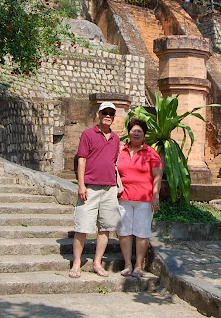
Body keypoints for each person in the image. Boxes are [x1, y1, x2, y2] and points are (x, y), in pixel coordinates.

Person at [69, 102, 121, 278]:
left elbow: (114, 162)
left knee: (105, 227)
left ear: (114, 117)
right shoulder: (88, 134)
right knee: (82, 226)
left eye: (111, 113)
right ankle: (77, 262)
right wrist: (81, 185)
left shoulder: (116, 139)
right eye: (105, 112)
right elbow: (81, 160)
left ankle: (97, 262)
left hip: (109, 187)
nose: (108, 116)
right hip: (90, 186)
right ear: (98, 114)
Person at [117, 117, 162, 278]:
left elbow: (157, 175)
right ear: (128, 133)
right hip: (123, 198)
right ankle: (127, 264)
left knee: (142, 232)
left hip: (144, 199)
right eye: (133, 131)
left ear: (144, 135)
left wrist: (155, 195)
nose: (136, 134)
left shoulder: (151, 153)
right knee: (124, 232)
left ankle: (138, 265)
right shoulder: (121, 151)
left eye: (139, 131)